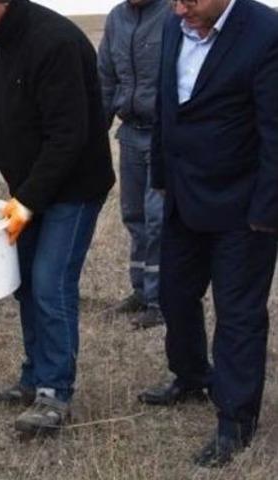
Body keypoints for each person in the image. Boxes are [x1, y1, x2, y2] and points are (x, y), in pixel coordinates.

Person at [0, 0, 115, 434]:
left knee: (51, 282)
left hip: (75, 188)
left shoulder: (55, 42)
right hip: (29, 188)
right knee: (24, 281)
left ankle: (54, 393)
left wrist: (28, 200)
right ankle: (34, 377)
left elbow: (70, 135)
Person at [139, 0, 278, 468]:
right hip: (183, 196)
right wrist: (160, 174)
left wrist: (266, 211)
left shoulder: (265, 31)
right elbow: (166, 105)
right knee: (175, 295)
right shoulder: (177, 24)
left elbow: (276, 131)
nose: (179, 9)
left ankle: (236, 420)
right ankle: (191, 374)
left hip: (243, 211)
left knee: (238, 315)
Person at [97, 0, 171, 329]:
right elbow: (105, 78)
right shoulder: (116, 18)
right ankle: (141, 291)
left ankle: (161, 300)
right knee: (134, 216)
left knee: (159, 219)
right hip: (129, 134)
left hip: (164, 137)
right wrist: (93, 133)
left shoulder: (174, 13)